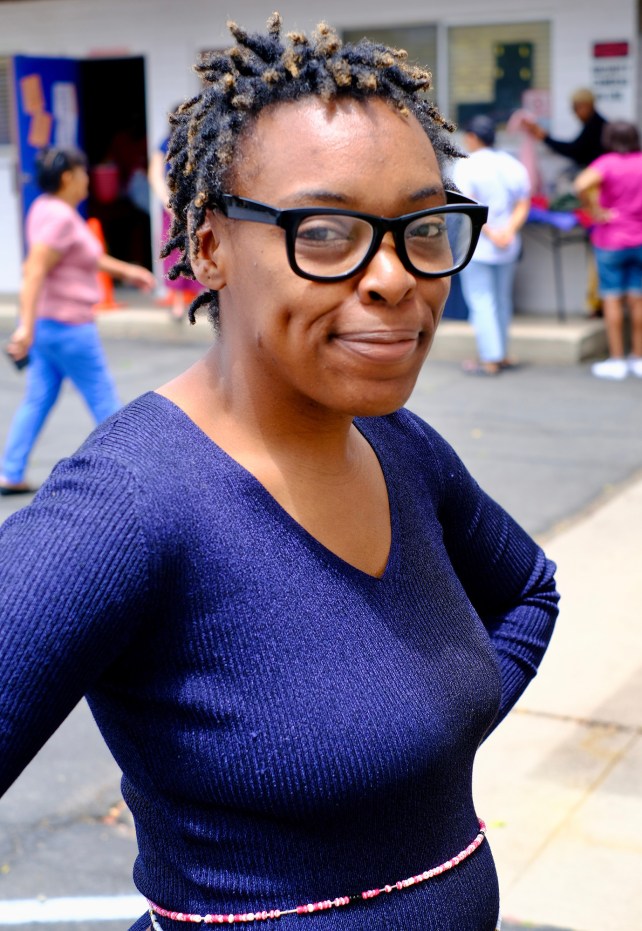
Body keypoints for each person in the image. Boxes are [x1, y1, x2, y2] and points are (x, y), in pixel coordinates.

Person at [0, 17, 559, 931]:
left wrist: (428, 735)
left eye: (423, 227)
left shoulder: (400, 446)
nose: (394, 278)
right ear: (210, 246)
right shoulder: (132, 503)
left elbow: (530, 590)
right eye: (328, 232)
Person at [0, 145, 155, 495]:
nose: (89, 178)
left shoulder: (45, 209)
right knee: (104, 400)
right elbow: (34, 271)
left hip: (49, 328)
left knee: (37, 399)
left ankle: (11, 471)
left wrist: (129, 271)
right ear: (69, 177)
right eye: (84, 172)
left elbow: (88, 256)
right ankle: (133, 473)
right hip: (69, 328)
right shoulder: (59, 218)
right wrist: (23, 325)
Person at [453, 114, 531, 376]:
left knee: (481, 301)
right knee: (501, 300)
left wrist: (491, 233)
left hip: (479, 245)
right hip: (508, 244)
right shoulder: (512, 164)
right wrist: (507, 231)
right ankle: (502, 353)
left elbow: (468, 206)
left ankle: (490, 357)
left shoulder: (467, 165)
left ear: (473, 137)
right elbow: (523, 203)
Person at [574, 120, 642, 379]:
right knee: (638, 300)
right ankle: (638, 356)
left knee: (612, 299)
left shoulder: (607, 163)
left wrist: (594, 211)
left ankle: (617, 360)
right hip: (640, 239)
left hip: (612, 239)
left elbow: (581, 184)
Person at [148, 120, 204, 321]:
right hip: (173, 209)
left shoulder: (198, 141)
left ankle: (197, 299)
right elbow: (155, 175)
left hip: (195, 206)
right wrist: (168, 202)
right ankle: (179, 303)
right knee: (177, 253)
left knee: (199, 249)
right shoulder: (166, 144)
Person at [521, 87, 607, 169]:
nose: (574, 113)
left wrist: (546, 138)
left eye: (576, 107)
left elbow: (575, 150)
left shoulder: (596, 126)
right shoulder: (594, 124)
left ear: (587, 105)